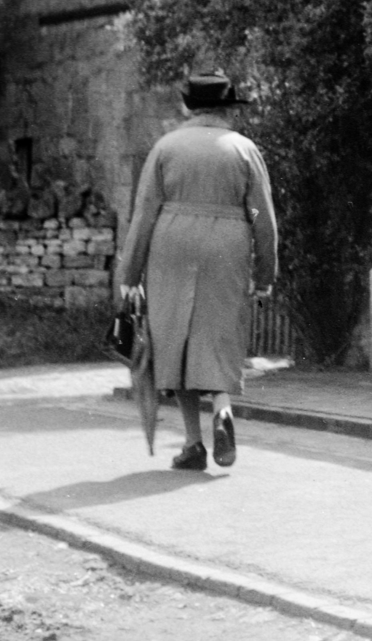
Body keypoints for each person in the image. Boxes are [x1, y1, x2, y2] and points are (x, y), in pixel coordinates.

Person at [117, 71, 278, 471]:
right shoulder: (243, 148)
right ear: (227, 108)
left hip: (170, 245)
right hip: (227, 245)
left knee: (176, 341)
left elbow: (145, 213)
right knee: (219, 335)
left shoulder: (165, 147)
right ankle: (222, 409)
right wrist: (265, 272)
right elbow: (261, 214)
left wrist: (129, 273)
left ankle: (193, 445)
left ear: (189, 105)